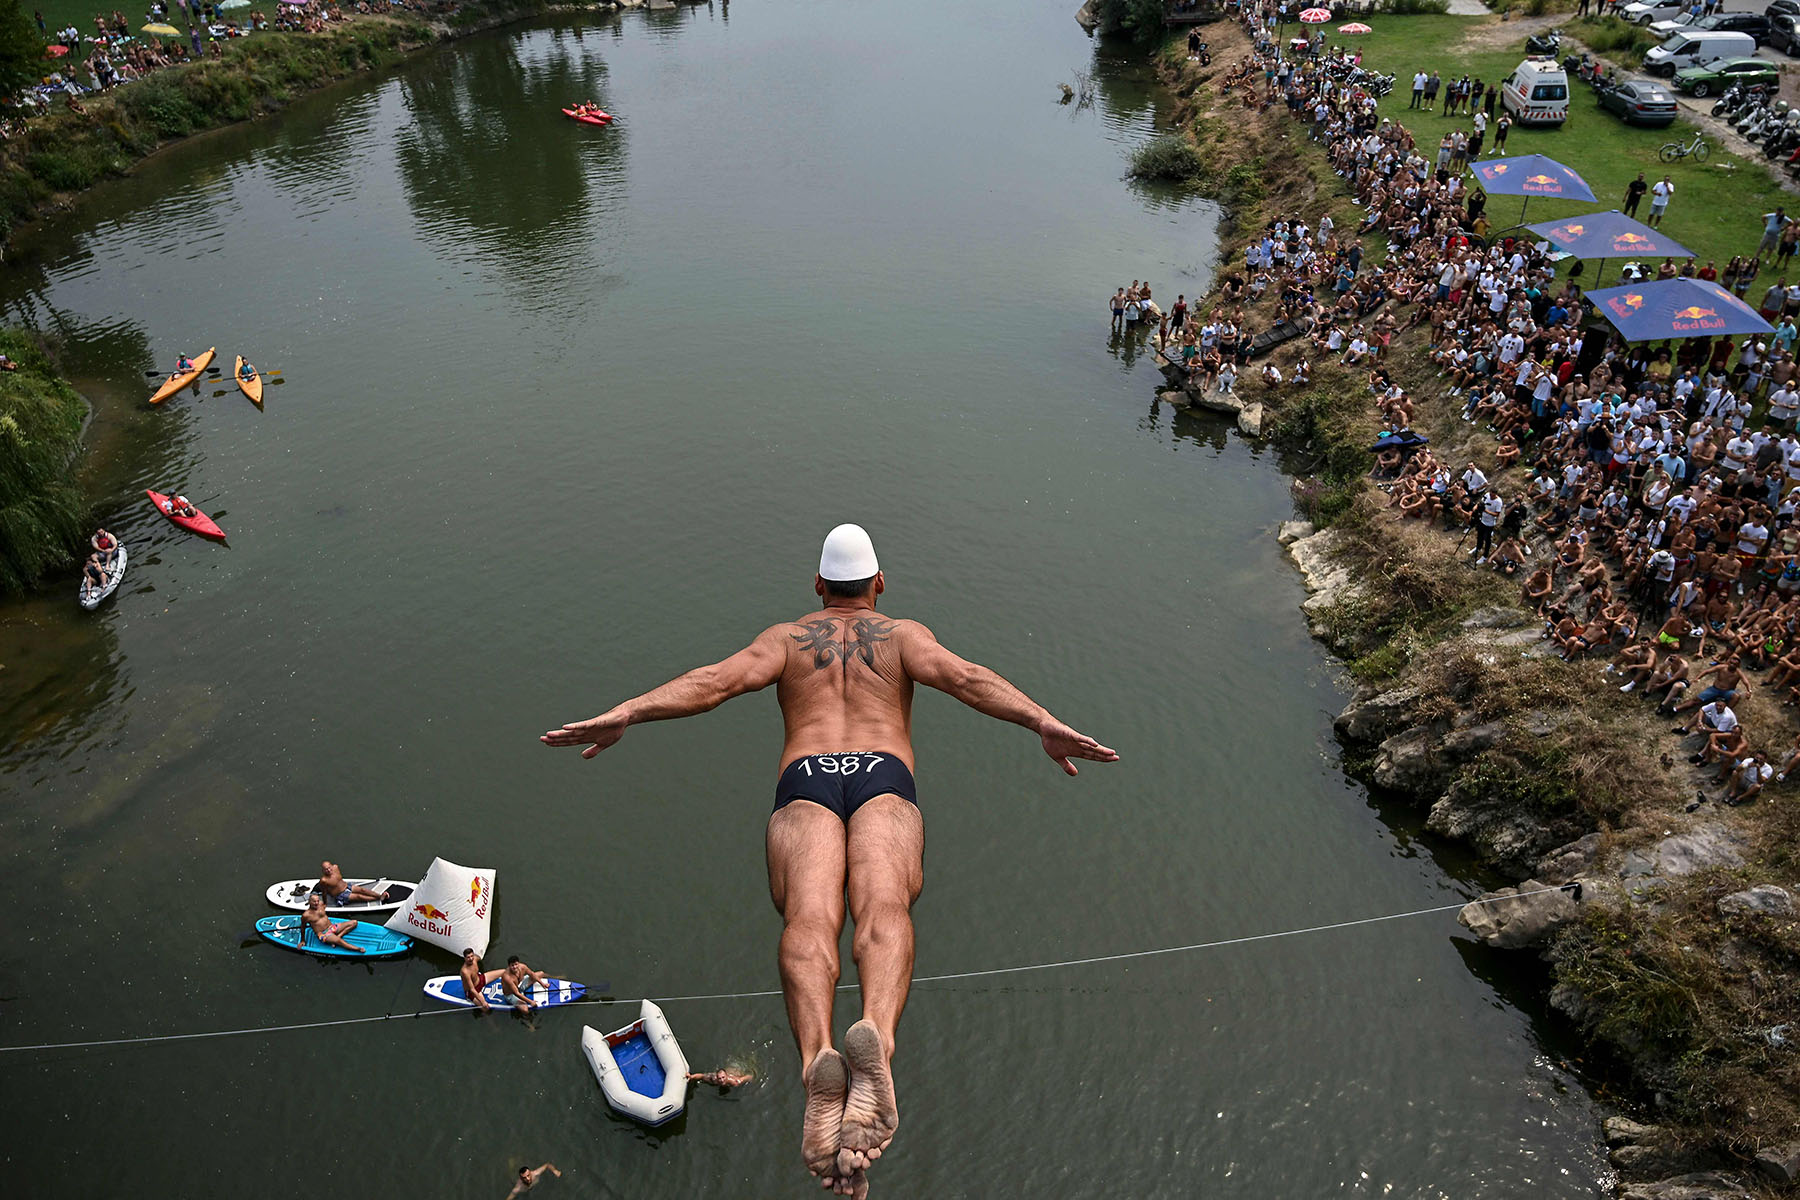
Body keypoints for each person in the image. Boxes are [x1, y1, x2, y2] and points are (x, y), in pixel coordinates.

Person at [541, 524, 1117, 1196]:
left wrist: (630, 712)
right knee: (884, 905)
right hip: (883, 775)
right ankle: (875, 1031)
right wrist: (1039, 719)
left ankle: (818, 1056)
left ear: (817, 586)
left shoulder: (785, 639)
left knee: (809, 920)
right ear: (880, 585)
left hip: (807, 778)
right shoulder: (903, 636)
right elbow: (966, 679)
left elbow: (713, 683)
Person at [315, 860, 390, 906]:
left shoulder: (336, 867)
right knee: (359, 897)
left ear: (332, 865)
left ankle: (380, 896)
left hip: (347, 885)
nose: (328, 870)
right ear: (323, 871)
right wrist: (325, 904)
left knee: (363, 890)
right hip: (340, 894)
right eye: (326, 869)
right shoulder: (324, 880)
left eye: (329, 867)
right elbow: (324, 892)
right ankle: (378, 898)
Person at [689, 1067, 755, 1088]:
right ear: (717, 1078)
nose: (722, 1080)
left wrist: (750, 1080)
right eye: (719, 1078)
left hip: (734, 1072)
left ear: (726, 1076)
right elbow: (701, 1076)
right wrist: (691, 1076)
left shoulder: (734, 1082)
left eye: (723, 1078)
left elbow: (749, 1076)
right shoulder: (713, 1079)